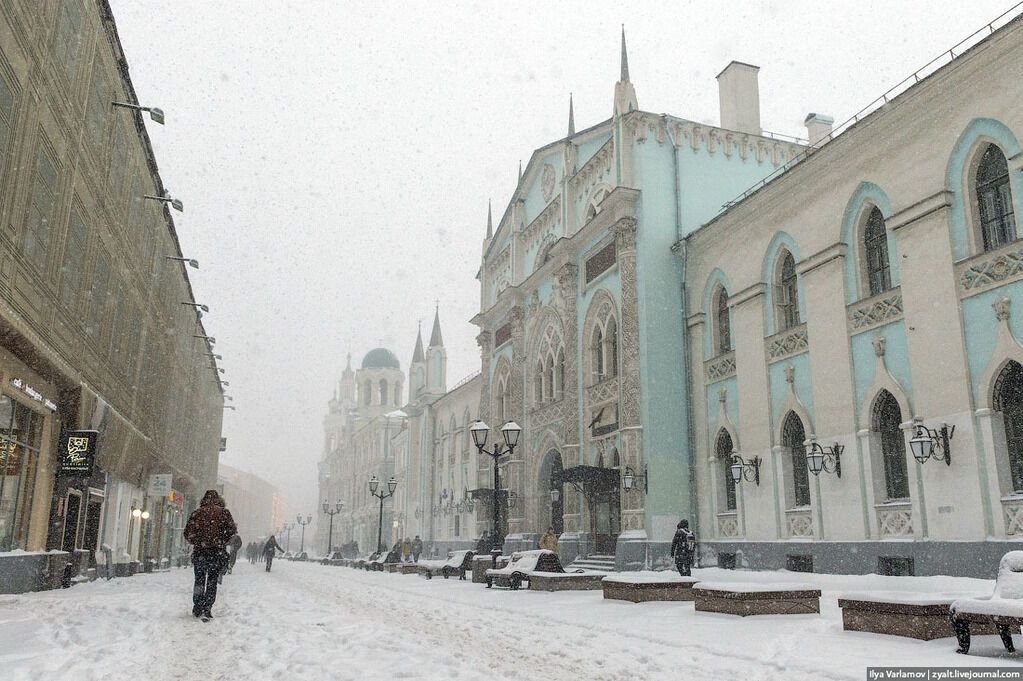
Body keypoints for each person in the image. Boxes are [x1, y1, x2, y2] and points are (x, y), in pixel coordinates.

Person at [183, 489, 237, 619]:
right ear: (218, 499)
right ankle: (208, 607)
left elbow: (187, 532)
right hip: (216, 552)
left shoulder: (197, 513)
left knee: (199, 580)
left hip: (200, 552)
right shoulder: (223, 513)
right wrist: (221, 541)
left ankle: (197, 606)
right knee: (212, 580)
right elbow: (232, 530)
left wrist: (198, 541)